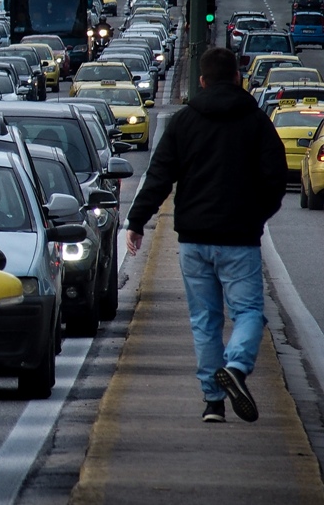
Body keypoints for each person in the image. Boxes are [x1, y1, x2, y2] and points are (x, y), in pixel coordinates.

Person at [124, 47, 287, 424]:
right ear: (236, 77)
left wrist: (136, 222)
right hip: (239, 239)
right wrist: (255, 215)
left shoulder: (184, 121)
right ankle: (237, 366)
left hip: (194, 240)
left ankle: (213, 402)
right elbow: (276, 178)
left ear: (201, 81)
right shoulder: (257, 122)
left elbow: (159, 176)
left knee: (205, 320)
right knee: (248, 312)